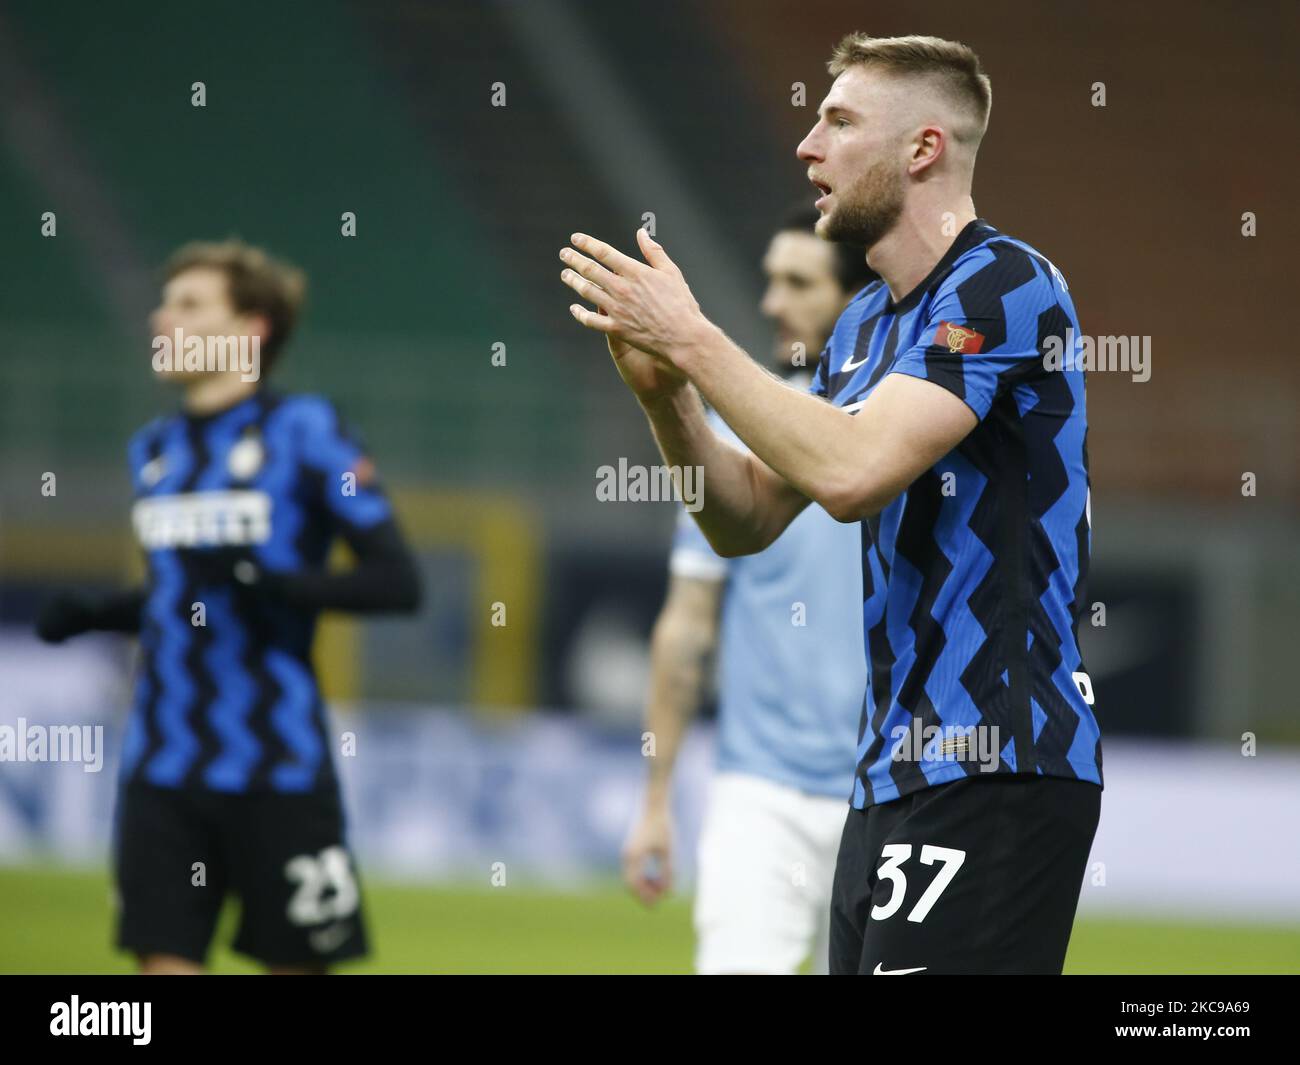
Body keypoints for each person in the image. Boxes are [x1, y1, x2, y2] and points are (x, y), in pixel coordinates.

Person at [561, 33, 1101, 975]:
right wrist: (666, 396)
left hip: (996, 757)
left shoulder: (1008, 284)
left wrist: (696, 341)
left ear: (922, 150)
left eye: (838, 121)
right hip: (890, 768)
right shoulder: (863, 325)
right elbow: (746, 518)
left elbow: (852, 475)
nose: (807, 146)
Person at [36, 239, 421, 973]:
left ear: (251, 331)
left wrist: (273, 584)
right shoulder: (153, 450)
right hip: (162, 761)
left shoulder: (307, 432)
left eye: (188, 304)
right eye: (163, 302)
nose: (160, 318)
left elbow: (398, 582)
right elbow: (182, 599)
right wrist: (99, 611)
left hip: (276, 761)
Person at [623, 207, 874, 974]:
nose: (771, 302)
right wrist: (657, 801)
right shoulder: (728, 441)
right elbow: (685, 627)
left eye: (798, 282)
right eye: (770, 280)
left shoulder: (907, 428)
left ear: (857, 298)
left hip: (889, 790)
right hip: (756, 792)